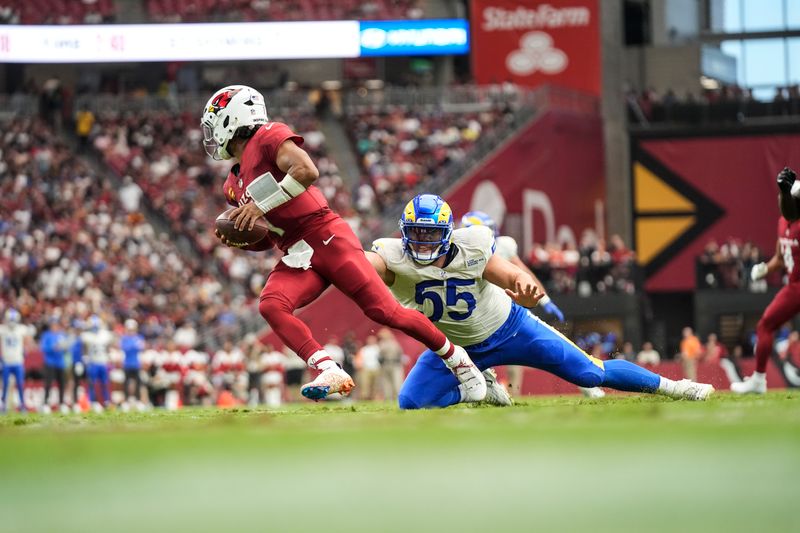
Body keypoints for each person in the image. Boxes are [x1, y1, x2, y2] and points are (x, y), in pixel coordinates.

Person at [201, 85, 484, 402]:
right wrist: (243, 240)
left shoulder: (268, 137)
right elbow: (271, 235)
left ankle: (460, 361)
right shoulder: (231, 184)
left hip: (326, 234)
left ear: (231, 118)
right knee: (271, 304)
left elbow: (307, 170)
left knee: (387, 312)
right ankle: (328, 369)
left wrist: (259, 207)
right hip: (297, 251)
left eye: (214, 125)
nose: (211, 136)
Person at [365, 194, 714, 409]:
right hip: (453, 347)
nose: (423, 242)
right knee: (411, 402)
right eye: (416, 233)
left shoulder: (472, 245)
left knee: (590, 373)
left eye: (431, 234)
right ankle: (482, 392)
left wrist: (524, 287)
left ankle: (676, 387)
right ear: (403, 232)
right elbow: (361, 264)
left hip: (511, 328)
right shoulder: (392, 256)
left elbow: (508, 273)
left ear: (447, 233)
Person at [460, 211, 605, 399]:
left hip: (507, 314)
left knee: (547, 351)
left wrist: (545, 300)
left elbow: (524, 272)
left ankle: (586, 383)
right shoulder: (456, 253)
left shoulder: (503, 246)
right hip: (477, 313)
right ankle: (487, 391)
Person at [733, 174, 800, 393]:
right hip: (794, 286)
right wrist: (764, 269)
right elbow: (781, 258)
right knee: (765, 325)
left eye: (788, 198)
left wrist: (784, 191)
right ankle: (759, 380)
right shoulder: (783, 223)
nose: (783, 202)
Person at [0, 309, 35, 413]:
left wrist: (25, 348)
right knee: (5, 384)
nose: (11, 322)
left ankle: (22, 405)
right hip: (6, 361)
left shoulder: (21, 329)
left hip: (18, 361)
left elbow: (29, 341)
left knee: (20, 383)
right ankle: (3, 404)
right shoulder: (2, 329)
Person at [81, 315, 114, 412]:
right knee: (92, 384)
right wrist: (85, 358)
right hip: (93, 362)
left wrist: (109, 356)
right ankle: (92, 402)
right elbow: (84, 348)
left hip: (103, 362)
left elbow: (108, 346)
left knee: (105, 383)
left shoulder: (105, 334)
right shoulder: (86, 335)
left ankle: (106, 402)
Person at [40, 317, 69, 413]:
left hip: (60, 363)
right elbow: (43, 348)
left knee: (62, 384)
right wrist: (53, 348)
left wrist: (64, 347)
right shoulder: (46, 335)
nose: (55, 326)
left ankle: (61, 403)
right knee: (48, 383)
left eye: (56, 324)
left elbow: (66, 347)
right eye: (53, 324)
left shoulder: (62, 334)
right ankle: (45, 403)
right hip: (50, 362)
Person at [120, 319, 145, 408]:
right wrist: (134, 346)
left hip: (136, 364)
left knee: (138, 383)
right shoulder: (125, 338)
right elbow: (125, 348)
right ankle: (126, 402)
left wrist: (133, 346)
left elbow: (141, 347)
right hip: (127, 364)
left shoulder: (139, 337)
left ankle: (138, 401)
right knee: (126, 383)